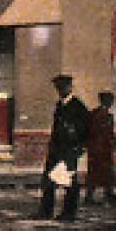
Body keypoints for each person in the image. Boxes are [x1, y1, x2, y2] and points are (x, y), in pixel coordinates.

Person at [37, 73, 90, 221]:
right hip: (56, 149)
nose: (60, 90)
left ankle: (69, 213)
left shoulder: (78, 106)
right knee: (48, 181)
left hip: (69, 150)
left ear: (70, 87)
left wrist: (78, 147)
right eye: (58, 88)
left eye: (63, 87)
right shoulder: (60, 105)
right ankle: (45, 212)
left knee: (70, 182)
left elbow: (85, 129)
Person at [84, 90, 116, 204]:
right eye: (108, 100)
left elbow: (111, 133)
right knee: (94, 172)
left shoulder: (108, 116)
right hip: (97, 148)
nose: (110, 103)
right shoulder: (95, 115)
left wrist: (115, 148)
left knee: (107, 172)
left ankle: (107, 194)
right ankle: (89, 196)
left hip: (105, 148)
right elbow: (89, 131)